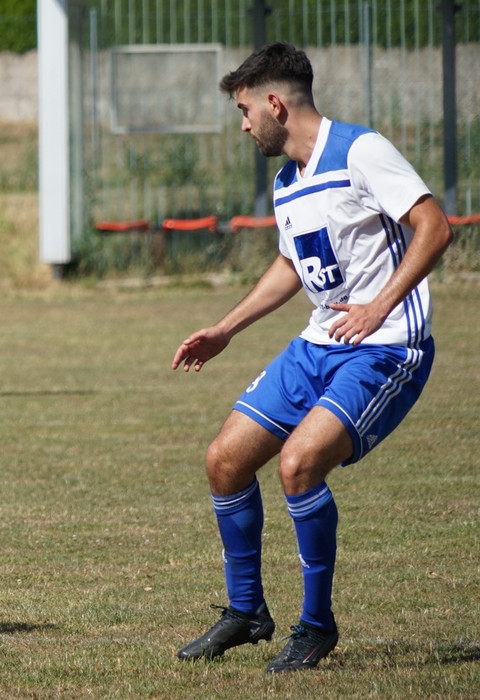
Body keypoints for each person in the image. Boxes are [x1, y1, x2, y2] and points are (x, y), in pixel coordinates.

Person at [171, 42, 452, 673]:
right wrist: (225, 329)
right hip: (319, 343)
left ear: (275, 104)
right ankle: (246, 612)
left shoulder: (360, 151)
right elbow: (292, 265)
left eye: (245, 111)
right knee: (224, 461)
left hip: (385, 347)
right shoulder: (286, 182)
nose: (244, 126)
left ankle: (317, 626)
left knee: (298, 465)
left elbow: (435, 226)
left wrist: (379, 306)